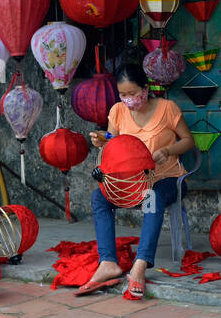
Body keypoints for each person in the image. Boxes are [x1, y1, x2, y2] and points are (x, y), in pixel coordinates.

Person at [77, 62, 195, 300]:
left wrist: (170, 150)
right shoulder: (118, 111)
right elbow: (114, 145)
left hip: (166, 177)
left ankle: (140, 264)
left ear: (146, 88)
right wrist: (102, 142)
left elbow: (189, 141)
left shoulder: (167, 108)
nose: (128, 99)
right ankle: (108, 261)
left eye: (132, 93)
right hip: (131, 181)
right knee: (99, 197)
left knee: (153, 197)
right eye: (123, 94)